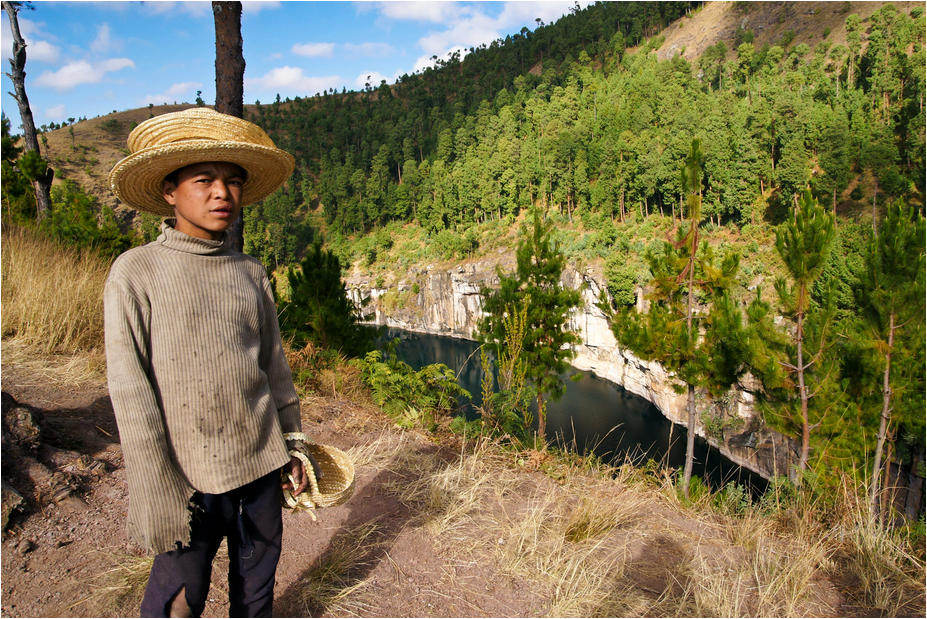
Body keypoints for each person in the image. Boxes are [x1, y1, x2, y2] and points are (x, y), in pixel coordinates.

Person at [104, 107, 317, 617]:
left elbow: (274, 371)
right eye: (204, 180)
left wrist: (293, 444)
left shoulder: (249, 273)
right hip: (189, 477)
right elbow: (130, 390)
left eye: (233, 182)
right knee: (178, 597)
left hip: (261, 467)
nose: (222, 193)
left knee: (257, 589)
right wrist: (156, 482)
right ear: (169, 192)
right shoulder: (137, 272)